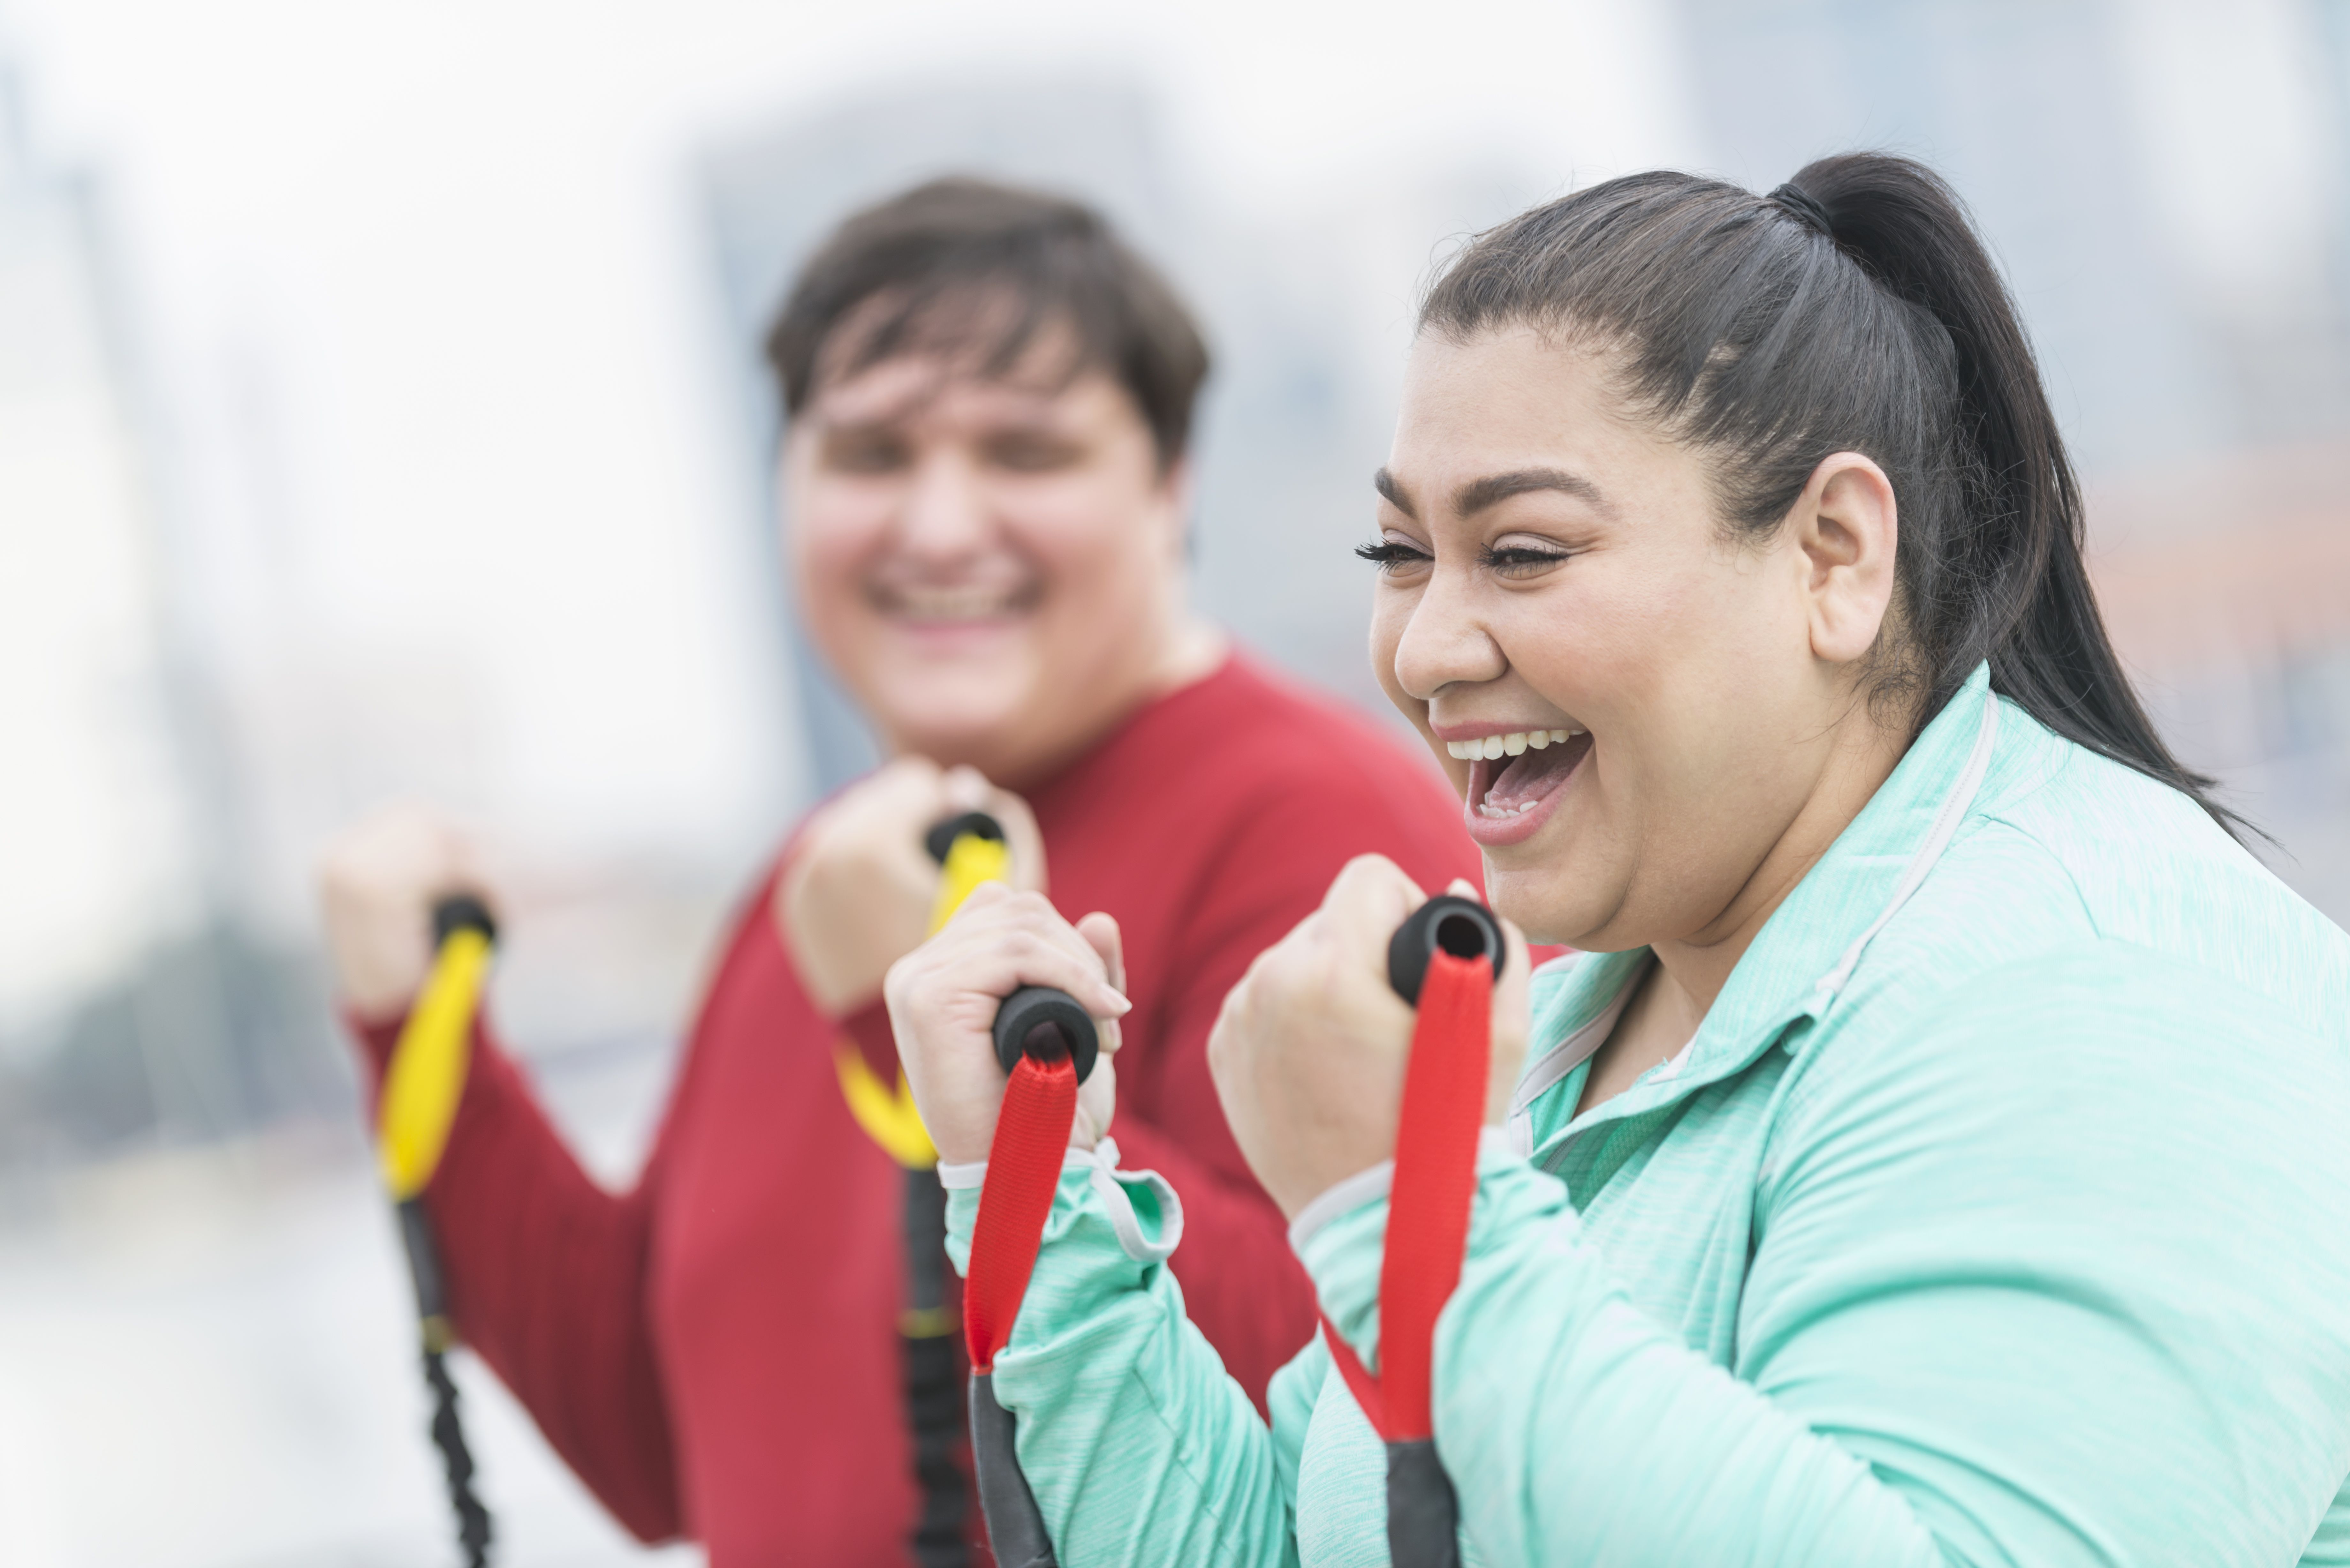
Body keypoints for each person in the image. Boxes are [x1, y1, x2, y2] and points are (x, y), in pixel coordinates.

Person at [887, 154, 2350, 1564]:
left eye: (1521, 553)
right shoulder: (1572, 1023)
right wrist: (1043, 1190)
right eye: (1399, 557)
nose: (1427, 646)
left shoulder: (2089, 986)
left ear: (1833, 555)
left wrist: (1409, 1210)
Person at [318, 177, 1479, 1566]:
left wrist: (920, 1024)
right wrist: (416, 1036)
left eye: (1024, 452)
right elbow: (652, 1438)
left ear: (1170, 486)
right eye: (869, 454)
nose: (937, 527)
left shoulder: (1313, 824)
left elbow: (1369, 1398)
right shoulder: (821, 874)